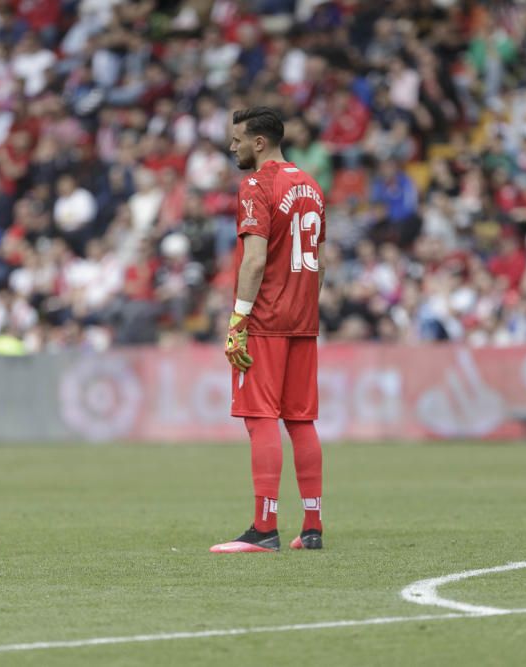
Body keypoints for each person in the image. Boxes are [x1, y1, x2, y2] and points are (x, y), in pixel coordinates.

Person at [210, 107, 325, 553]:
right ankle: (312, 526)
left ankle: (264, 528)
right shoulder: (312, 186)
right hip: (303, 319)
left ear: (259, 142)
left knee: (261, 420)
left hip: (265, 320)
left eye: (237, 138)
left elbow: (255, 259)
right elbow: (319, 261)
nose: (232, 146)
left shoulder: (257, 185)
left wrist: (238, 319)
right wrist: (305, 311)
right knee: (301, 421)